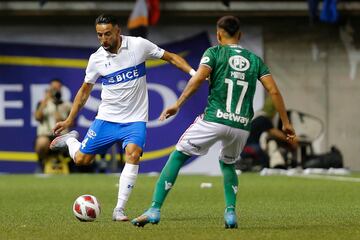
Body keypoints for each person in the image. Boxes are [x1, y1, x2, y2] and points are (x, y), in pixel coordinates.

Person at [131, 15, 296, 229]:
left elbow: (199, 78)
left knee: (178, 155)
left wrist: (178, 104)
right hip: (241, 125)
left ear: (218, 35)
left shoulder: (214, 52)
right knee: (227, 163)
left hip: (214, 119)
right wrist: (285, 123)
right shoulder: (255, 60)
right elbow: (273, 90)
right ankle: (230, 213)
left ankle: (154, 208)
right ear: (240, 35)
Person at [49, 14, 196, 221]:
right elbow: (84, 92)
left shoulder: (138, 45)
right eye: (99, 35)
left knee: (133, 155)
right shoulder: (96, 59)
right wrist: (69, 120)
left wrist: (194, 73)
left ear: (118, 30)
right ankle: (71, 140)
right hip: (107, 119)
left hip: (135, 120)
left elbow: (170, 57)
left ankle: (119, 209)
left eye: (107, 34)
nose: (103, 39)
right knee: (82, 160)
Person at [241, 97, 298, 170]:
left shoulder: (258, 117)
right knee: (267, 156)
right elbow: (275, 133)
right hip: (250, 147)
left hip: (244, 147)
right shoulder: (264, 119)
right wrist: (291, 140)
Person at [34, 78, 71, 172]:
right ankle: (41, 164)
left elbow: (72, 123)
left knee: (73, 143)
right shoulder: (42, 103)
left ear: (61, 89)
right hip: (46, 135)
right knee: (41, 142)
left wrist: (61, 118)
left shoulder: (67, 105)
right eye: (53, 87)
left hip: (62, 135)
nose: (55, 89)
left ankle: (72, 168)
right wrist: (46, 99)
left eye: (57, 87)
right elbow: (38, 117)